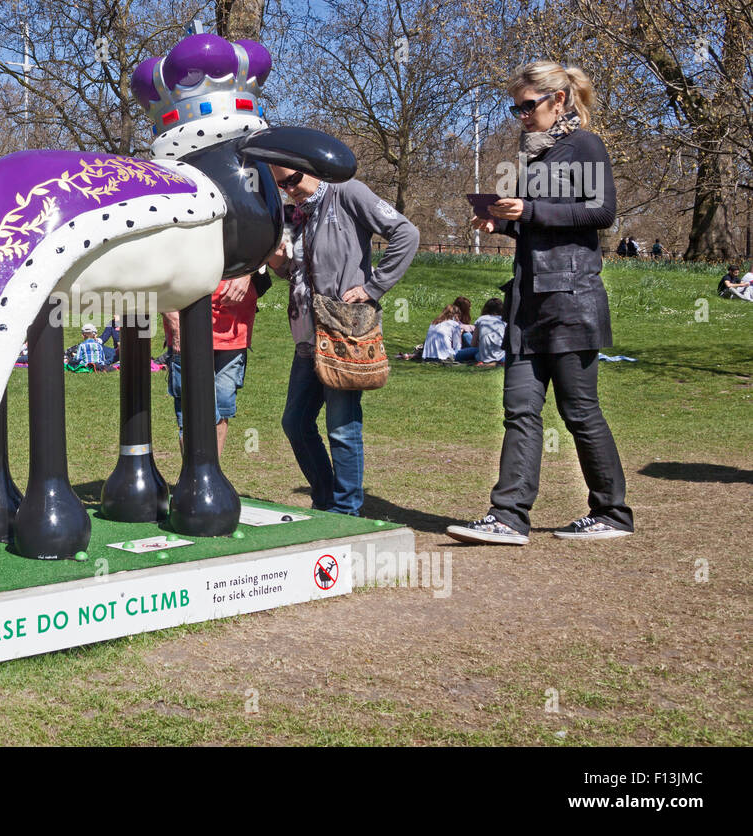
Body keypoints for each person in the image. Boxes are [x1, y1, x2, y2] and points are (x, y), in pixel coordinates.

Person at [447, 60, 634, 544]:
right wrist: (502, 222)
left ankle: (612, 512)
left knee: (579, 412)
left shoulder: (585, 146)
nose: (521, 116)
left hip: (571, 302)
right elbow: (542, 223)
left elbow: (602, 212)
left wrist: (527, 209)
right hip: (527, 305)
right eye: (516, 108)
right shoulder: (542, 155)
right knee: (520, 410)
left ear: (560, 100)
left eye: (528, 106)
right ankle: (508, 516)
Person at [269, 165, 419, 516]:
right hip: (308, 335)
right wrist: (276, 259)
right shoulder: (297, 215)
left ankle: (346, 507)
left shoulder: (348, 193)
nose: (290, 189)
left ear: (313, 169)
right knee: (295, 422)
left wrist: (373, 287)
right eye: (281, 185)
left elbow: (406, 233)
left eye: (294, 179)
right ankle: (325, 498)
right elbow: (294, 270)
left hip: (342, 330)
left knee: (341, 425)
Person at [162, 273, 259, 456]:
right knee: (190, 411)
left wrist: (247, 275)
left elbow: (265, 250)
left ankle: (212, 476)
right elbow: (158, 271)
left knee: (222, 408)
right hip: (188, 331)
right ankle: (192, 477)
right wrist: (175, 324)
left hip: (234, 332)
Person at [472, 297, 507, 365]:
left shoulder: (481, 319)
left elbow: (473, 344)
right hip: (501, 357)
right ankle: (495, 362)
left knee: (474, 351)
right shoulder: (504, 321)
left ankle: (452, 355)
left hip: (483, 357)